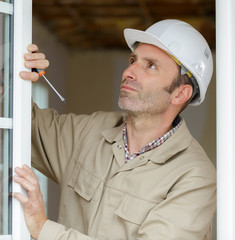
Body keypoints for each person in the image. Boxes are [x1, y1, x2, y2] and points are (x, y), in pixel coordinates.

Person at [12, 19, 216, 240]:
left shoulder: (195, 176)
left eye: (151, 66)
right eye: (133, 60)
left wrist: (43, 229)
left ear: (180, 94)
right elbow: (21, 126)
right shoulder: (89, 131)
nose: (129, 71)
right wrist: (15, 70)